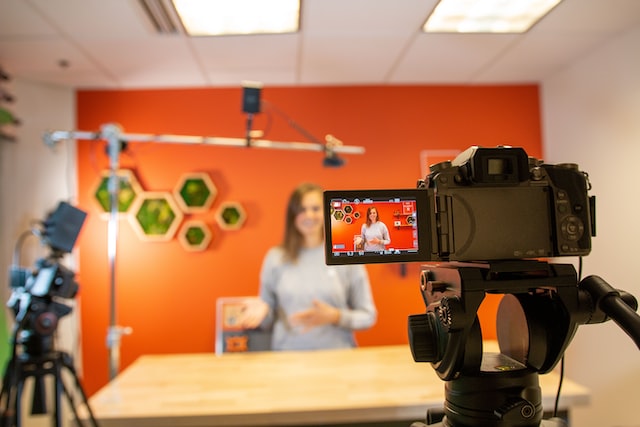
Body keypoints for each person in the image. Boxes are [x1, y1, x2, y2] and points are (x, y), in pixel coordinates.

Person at [238, 182, 377, 350]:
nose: (309, 215)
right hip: (287, 359)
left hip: (339, 357)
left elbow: (368, 316)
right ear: (293, 215)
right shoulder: (275, 258)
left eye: (316, 209)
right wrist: (259, 312)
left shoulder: (346, 255)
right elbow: (267, 316)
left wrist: (336, 316)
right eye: (302, 209)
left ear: (327, 212)